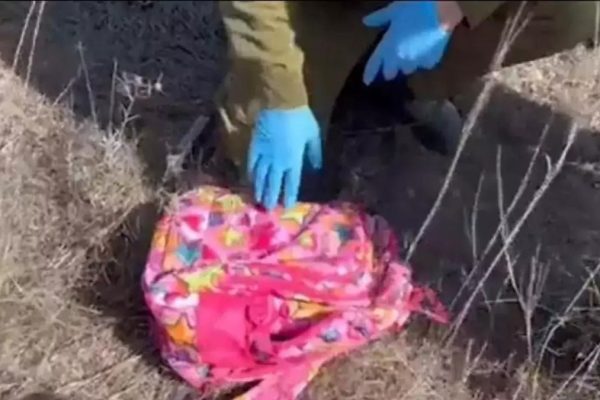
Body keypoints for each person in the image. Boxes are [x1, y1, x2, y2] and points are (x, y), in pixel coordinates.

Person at [212, 1, 597, 210]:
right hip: (311, 12)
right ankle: (319, 79)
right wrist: (281, 96)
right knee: (289, 190)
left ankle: (403, 83)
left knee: (572, 9)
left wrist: (450, 7)